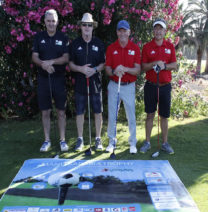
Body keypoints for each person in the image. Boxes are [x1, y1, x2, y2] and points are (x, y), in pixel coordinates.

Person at [32, 9, 69, 152]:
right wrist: (43, 65)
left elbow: (66, 58)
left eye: (53, 21)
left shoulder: (63, 37)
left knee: (61, 111)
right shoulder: (39, 37)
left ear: (57, 21)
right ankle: (47, 140)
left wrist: (51, 62)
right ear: (45, 22)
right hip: (43, 79)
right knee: (45, 112)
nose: (51, 23)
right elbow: (34, 56)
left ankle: (62, 140)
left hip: (59, 79)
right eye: (48, 21)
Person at [140, 18, 177, 154]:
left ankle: (165, 143)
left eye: (161, 29)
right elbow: (143, 67)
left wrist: (164, 66)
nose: (158, 31)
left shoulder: (170, 46)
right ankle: (147, 142)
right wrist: (155, 62)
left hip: (165, 86)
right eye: (156, 28)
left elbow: (174, 65)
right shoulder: (147, 47)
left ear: (164, 30)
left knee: (164, 116)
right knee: (150, 114)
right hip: (151, 86)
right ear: (153, 30)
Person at [69, 13, 105, 151]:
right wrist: (81, 69)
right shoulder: (75, 44)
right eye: (84, 24)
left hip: (95, 82)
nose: (87, 27)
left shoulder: (98, 43)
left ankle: (97, 139)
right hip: (80, 83)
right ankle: (80, 139)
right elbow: (70, 64)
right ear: (81, 26)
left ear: (93, 27)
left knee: (97, 111)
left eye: (89, 25)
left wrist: (95, 70)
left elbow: (103, 64)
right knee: (80, 112)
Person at [105, 20, 141, 154]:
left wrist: (124, 69)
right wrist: (115, 71)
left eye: (125, 30)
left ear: (129, 32)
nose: (122, 33)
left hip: (129, 86)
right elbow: (107, 69)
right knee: (112, 114)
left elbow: (137, 70)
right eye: (120, 30)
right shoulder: (111, 48)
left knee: (130, 115)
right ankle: (111, 142)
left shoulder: (135, 48)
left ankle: (132, 143)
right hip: (114, 85)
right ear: (117, 32)